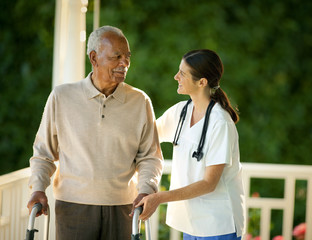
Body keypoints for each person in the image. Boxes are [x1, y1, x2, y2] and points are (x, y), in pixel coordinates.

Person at [27, 26, 163, 240]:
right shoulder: (61, 97)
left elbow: (150, 157)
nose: (124, 63)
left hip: (123, 207)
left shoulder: (140, 101)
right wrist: (38, 188)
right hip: (73, 207)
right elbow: (44, 153)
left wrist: (146, 189)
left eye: (127, 57)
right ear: (94, 58)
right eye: (116, 57)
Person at [136, 49, 246, 239]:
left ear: (202, 82)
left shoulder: (220, 123)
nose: (176, 76)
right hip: (192, 223)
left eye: (183, 74)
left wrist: (159, 197)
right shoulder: (180, 112)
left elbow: (208, 183)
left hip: (219, 224)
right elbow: (145, 136)